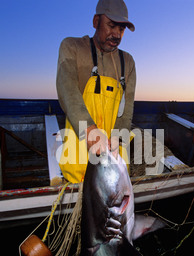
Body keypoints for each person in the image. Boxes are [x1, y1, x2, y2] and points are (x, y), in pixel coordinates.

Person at [56, 0, 136, 183]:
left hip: (115, 155)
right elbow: (67, 91)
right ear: (95, 21)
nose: (116, 34)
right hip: (80, 154)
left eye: (122, 29)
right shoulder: (72, 47)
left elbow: (127, 108)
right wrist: (90, 131)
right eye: (111, 25)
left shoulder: (128, 62)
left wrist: (118, 139)